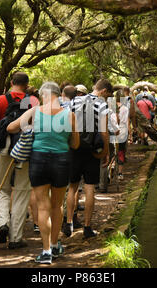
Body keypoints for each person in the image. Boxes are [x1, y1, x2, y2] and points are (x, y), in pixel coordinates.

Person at [7, 81, 80, 264]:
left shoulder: (34, 111)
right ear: (58, 95)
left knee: (42, 206)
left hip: (38, 160)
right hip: (61, 161)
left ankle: (46, 251)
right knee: (57, 206)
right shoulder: (69, 115)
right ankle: (55, 246)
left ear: (44, 95)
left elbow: (10, 128)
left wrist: (30, 128)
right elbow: (76, 144)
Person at [0, 71, 39, 249]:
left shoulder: (0, 100)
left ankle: (3, 222)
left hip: (3, 148)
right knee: (21, 191)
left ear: (11, 82)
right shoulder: (32, 101)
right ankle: (16, 238)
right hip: (25, 149)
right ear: (26, 85)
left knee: (1, 189)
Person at [64, 79, 112, 239]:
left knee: (72, 187)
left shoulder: (74, 100)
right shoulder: (102, 105)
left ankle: (69, 223)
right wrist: (105, 153)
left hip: (74, 149)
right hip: (92, 150)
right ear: (104, 91)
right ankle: (87, 227)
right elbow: (104, 133)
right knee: (90, 188)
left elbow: (66, 124)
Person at [111, 90, 129, 180]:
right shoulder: (125, 109)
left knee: (112, 152)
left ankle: (111, 168)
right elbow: (126, 123)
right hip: (122, 132)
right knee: (121, 152)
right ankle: (120, 173)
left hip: (113, 131)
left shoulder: (111, 107)